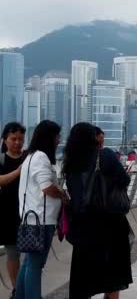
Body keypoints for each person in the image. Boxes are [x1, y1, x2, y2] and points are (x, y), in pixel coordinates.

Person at [62, 123, 133, 299]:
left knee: (82, 278)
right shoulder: (105, 155)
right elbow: (123, 180)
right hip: (110, 223)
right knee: (112, 276)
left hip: (82, 226)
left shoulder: (70, 164)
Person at [16, 120, 68, 299]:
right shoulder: (41, 158)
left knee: (29, 263)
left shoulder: (31, 156)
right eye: (57, 136)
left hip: (31, 218)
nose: (59, 140)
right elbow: (47, 187)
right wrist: (63, 195)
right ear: (49, 137)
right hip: (41, 220)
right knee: (35, 264)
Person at [0, 123, 26, 299]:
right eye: (13, 139)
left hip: (28, 211)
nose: (17, 142)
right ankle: (17, 288)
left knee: (31, 253)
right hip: (7, 213)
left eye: (21, 139)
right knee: (12, 252)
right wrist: (19, 171)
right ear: (5, 140)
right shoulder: (1, 160)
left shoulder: (29, 157)